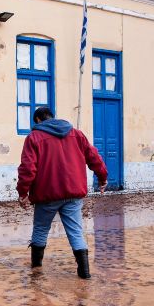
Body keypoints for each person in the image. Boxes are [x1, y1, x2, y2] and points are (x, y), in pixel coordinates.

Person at [17, 107, 108, 279]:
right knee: (76, 232)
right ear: (52, 117)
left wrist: (23, 193)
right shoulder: (77, 134)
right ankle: (85, 275)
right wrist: (102, 178)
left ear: (37, 120)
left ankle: (36, 273)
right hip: (74, 194)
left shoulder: (34, 137)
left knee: (40, 230)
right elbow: (94, 157)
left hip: (47, 195)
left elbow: (27, 168)